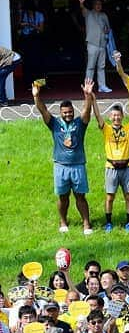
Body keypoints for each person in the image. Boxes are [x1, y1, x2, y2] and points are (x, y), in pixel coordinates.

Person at [33, 78, 94, 234]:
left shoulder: (80, 123)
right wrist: (36, 96)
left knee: (81, 196)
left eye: (70, 112)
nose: (68, 114)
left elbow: (87, 112)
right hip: (60, 166)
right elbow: (43, 110)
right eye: (65, 113)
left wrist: (87, 95)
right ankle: (63, 221)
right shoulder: (54, 124)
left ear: (73, 111)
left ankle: (86, 224)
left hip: (78, 165)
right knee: (63, 197)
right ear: (60, 113)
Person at [91, 100, 129, 232]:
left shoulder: (128, 128)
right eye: (113, 115)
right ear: (110, 117)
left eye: (118, 115)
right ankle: (108, 223)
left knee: (128, 196)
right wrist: (92, 99)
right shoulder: (106, 129)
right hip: (111, 168)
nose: (116, 118)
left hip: (127, 168)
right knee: (110, 197)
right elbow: (97, 116)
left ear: (122, 116)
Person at [78, 0, 112, 93]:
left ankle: (102, 86)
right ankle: (88, 86)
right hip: (92, 43)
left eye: (100, 4)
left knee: (101, 66)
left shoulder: (104, 15)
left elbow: (108, 28)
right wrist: (81, 3)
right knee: (91, 66)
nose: (98, 6)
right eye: (97, 4)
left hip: (102, 43)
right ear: (93, 5)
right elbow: (82, 9)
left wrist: (106, 30)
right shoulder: (88, 13)